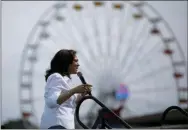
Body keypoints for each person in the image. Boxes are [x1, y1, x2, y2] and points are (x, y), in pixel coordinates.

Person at [40, 49, 92, 129]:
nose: (78, 65)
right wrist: (74, 90)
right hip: (57, 125)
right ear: (67, 63)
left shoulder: (65, 81)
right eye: (75, 61)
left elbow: (68, 104)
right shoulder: (56, 77)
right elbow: (52, 101)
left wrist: (81, 95)